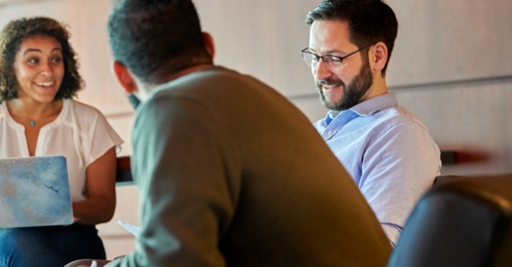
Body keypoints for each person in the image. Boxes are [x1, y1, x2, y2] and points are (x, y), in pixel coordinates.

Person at [79, 0, 394, 266]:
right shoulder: (258, 94)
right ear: (208, 45)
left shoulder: (170, 108)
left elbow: (176, 259)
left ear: (122, 76)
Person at [0, 17, 123, 266]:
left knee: (64, 245)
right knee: (21, 240)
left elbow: (104, 206)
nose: (48, 70)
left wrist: (58, 209)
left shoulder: (89, 121)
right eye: (33, 60)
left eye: (55, 59)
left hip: (70, 235)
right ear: (10, 66)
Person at [301, 0, 441, 246]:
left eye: (334, 58)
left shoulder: (398, 135)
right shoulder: (313, 133)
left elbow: (378, 249)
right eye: (315, 57)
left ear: (377, 57)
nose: (320, 73)